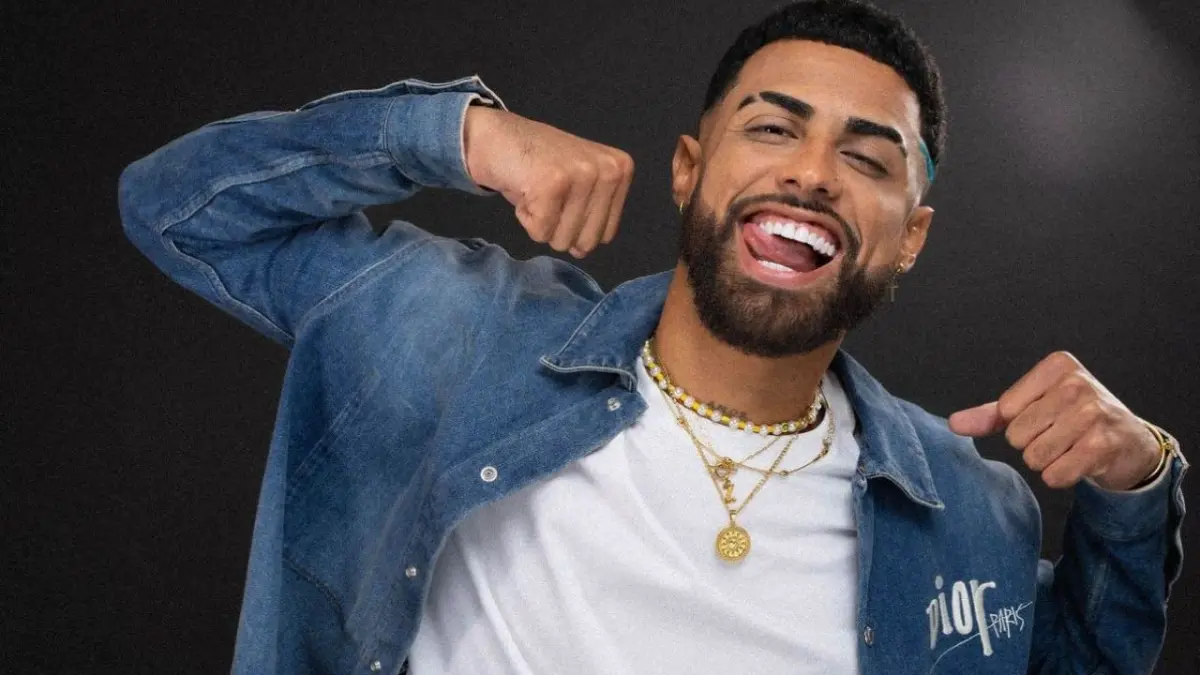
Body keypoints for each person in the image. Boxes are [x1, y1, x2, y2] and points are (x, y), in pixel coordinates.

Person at [118, 1, 1186, 673]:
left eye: (868, 159)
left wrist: (1136, 484)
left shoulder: (970, 508)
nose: (811, 172)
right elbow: (178, 209)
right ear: (689, 169)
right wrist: (458, 134)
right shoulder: (453, 329)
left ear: (909, 237)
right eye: (771, 128)